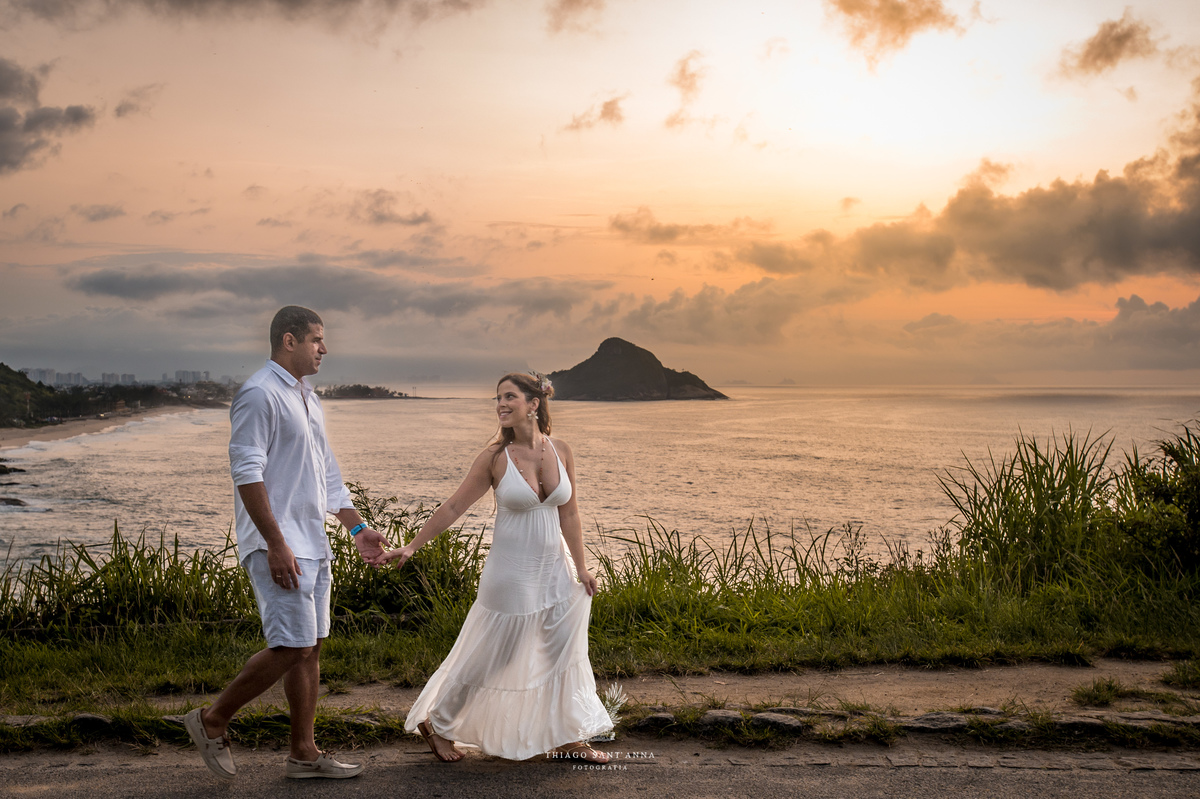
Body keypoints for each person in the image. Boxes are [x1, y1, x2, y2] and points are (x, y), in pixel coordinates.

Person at [184, 305, 388, 781]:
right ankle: (212, 720)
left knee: (310, 646)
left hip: (312, 542)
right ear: (289, 340)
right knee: (292, 645)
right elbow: (246, 471)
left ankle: (303, 754)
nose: (325, 348)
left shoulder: (307, 396)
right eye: (317, 339)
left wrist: (357, 530)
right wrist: (275, 544)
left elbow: (327, 476)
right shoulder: (258, 394)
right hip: (281, 544)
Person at [380, 372, 612, 763]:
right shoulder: (493, 458)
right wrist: (413, 545)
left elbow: (569, 513)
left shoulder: (562, 450)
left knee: (561, 650)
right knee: (497, 654)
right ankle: (438, 722)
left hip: (555, 567)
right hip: (511, 571)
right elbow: (454, 506)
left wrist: (583, 567)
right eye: (497, 398)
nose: (501, 404)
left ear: (534, 404)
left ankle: (567, 736)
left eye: (509, 397)